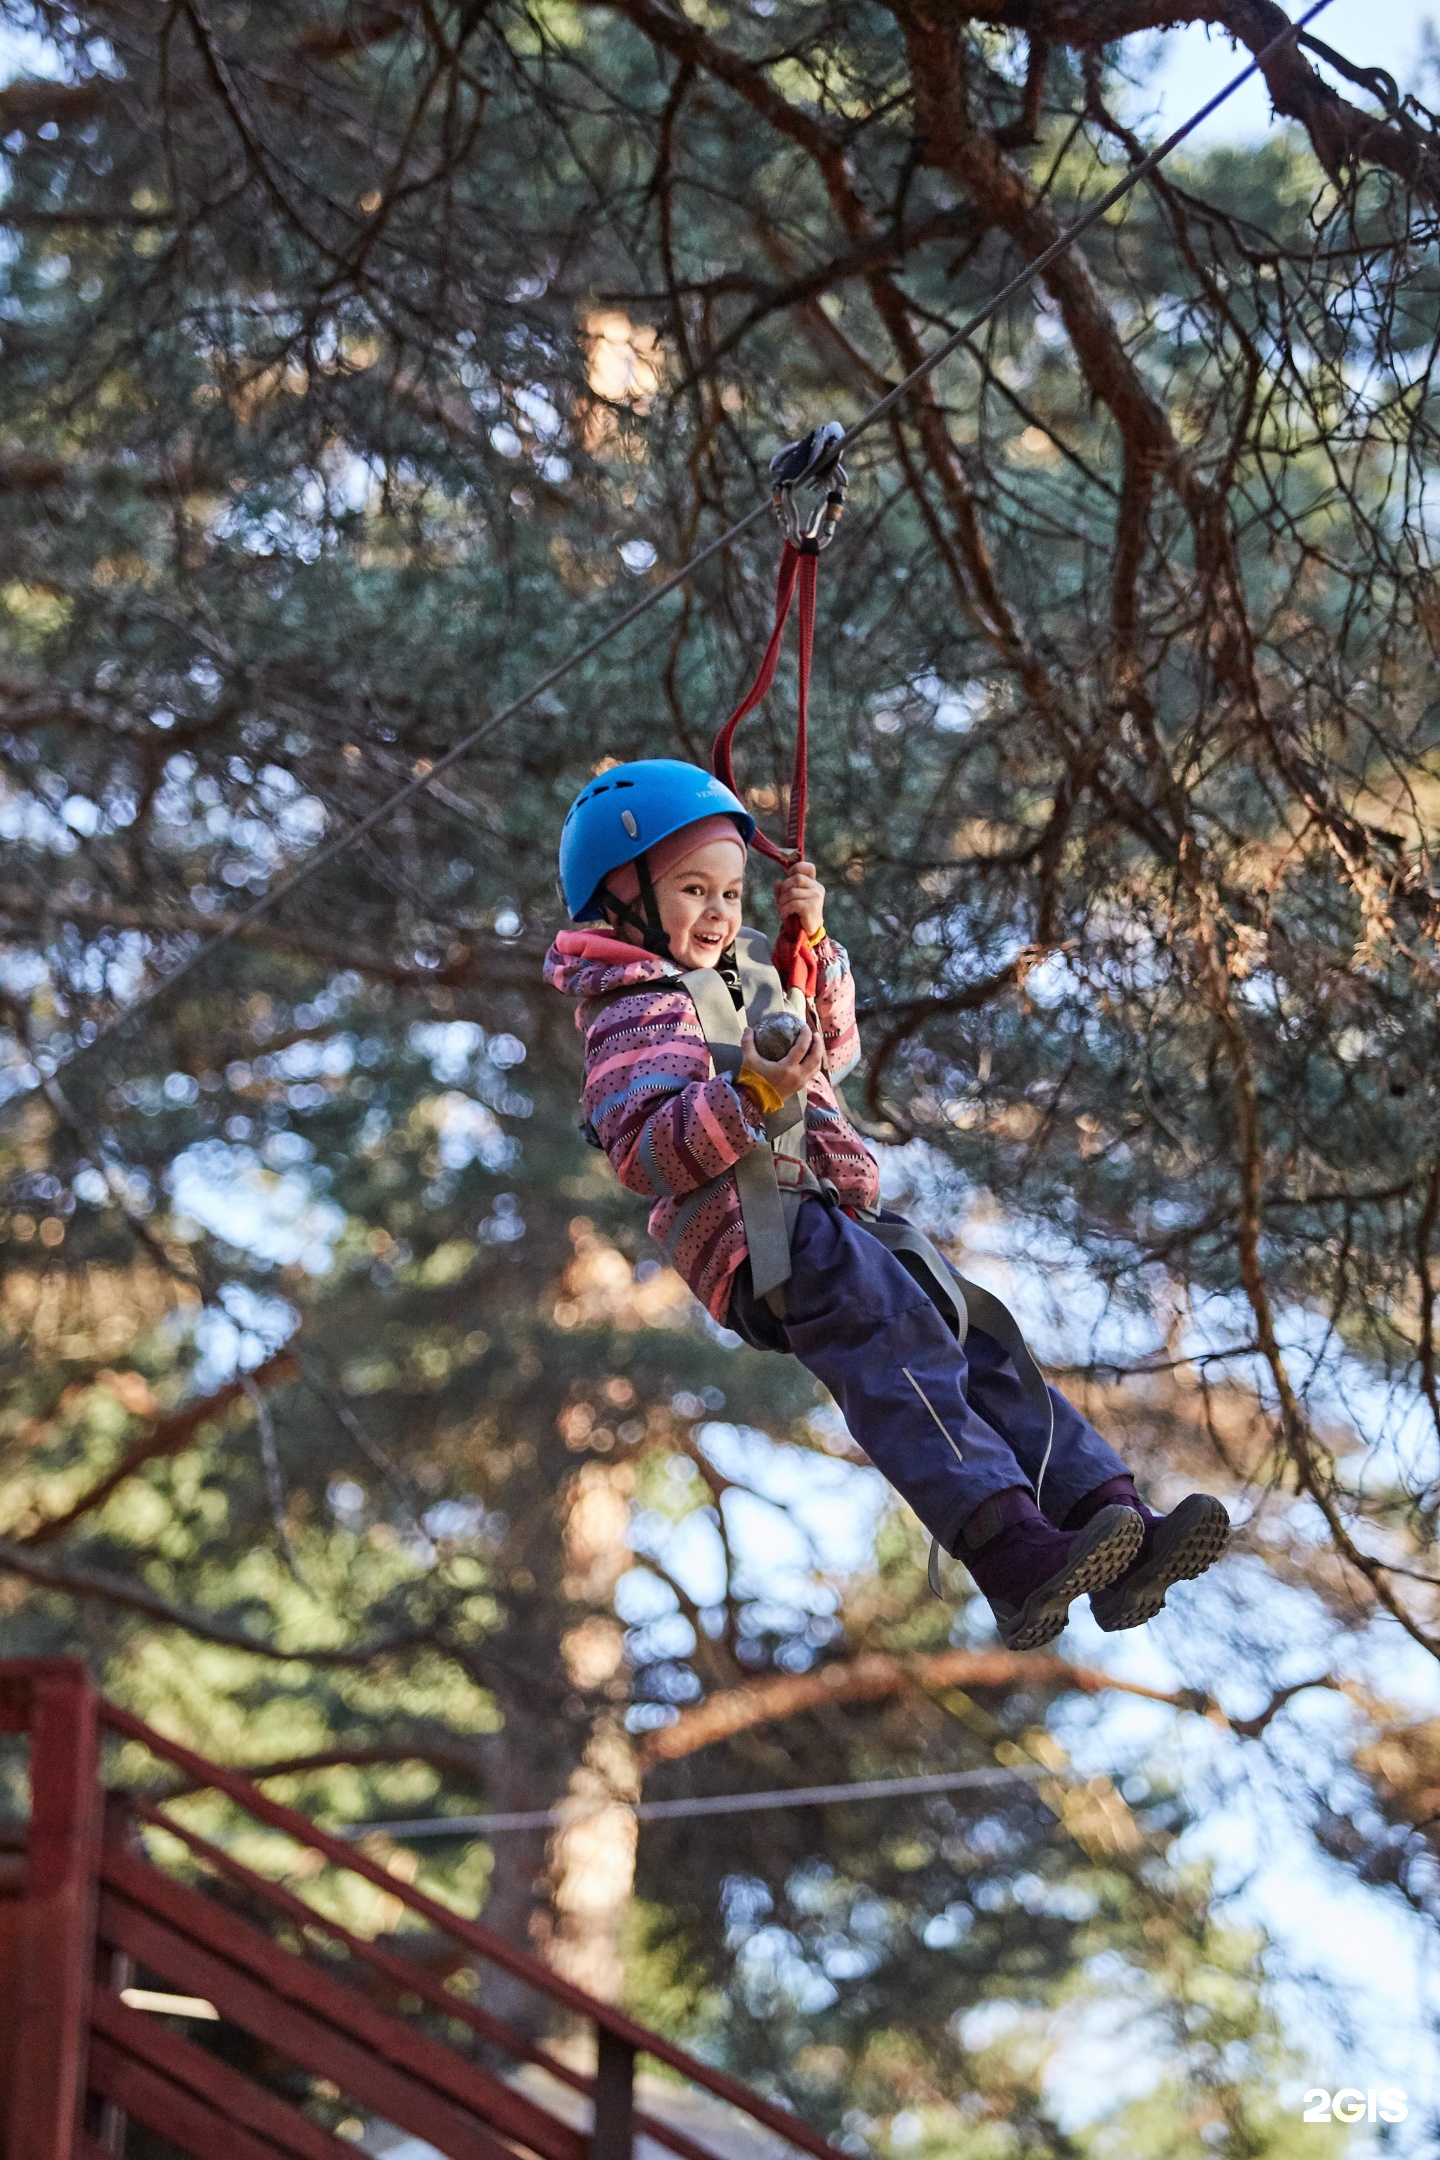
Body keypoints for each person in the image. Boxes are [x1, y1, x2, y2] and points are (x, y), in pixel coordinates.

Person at [544, 759, 1229, 1647]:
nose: (718, 913)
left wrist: (810, 941)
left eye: (732, 893)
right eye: (691, 890)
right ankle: (1011, 1550)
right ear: (621, 898)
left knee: (978, 1334)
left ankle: (1111, 1517)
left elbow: (835, 1043)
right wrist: (747, 1096)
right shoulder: (631, 1011)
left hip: (839, 1215)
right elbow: (646, 1150)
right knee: (899, 1349)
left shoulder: (747, 970)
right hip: (767, 1235)